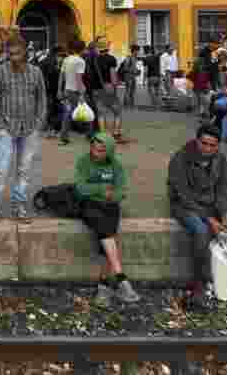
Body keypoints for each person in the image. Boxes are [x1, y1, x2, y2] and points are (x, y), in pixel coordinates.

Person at [168, 124, 227, 308]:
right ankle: (199, 285)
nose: (207, 148)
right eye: (204, 143)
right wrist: (210, 219)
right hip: (185, 206)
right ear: (197, 141)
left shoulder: (220, 159)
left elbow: (222, 190)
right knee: (201, 232)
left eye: (212, 145)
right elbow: (183, 196)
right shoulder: (180, 159)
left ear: (218, 146)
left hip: (212, 205)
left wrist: (225, 216)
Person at [0, 35, 47, 223]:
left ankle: (19, 205)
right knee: (2, 169)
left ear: (25, 53)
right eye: (10, 54)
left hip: (29, 128)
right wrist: (0, 124)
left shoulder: (36, 72)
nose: (14, 58)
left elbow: (42, 98)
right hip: (6, 127)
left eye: (17, 53)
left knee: (24, 170)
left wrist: (38, 123)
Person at [75, 132, 140, 304]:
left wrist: (110, 195)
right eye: (94, 149)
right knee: (107, 232)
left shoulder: (116, 166)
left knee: (106, 236)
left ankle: (103, 286)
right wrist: (103, 189)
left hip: (110, 206)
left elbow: (121, 191)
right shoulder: (83, 162)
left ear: (109, 151)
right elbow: (80, 188)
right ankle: (120, 277)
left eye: (101, 150)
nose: (96, 153)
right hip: (89, 205)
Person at [88, 38, 123, 141]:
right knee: (117, 112)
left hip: (96, 89)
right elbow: (113, 77)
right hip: (108, 88)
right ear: (108, 47)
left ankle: (103, 135)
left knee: (101, 113)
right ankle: (116, 133)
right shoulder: (111, 59)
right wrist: (115, 86)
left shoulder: (94, 60)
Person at [59, 39, 87, 145]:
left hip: (67, 90)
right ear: (82, 49)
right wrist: (82, 93)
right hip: (76, 91)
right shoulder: (81, 61)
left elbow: (61, 76)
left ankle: (64, 137)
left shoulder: (66, 60)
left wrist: (59, 90)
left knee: (67, 114)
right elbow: (79, 78)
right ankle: (89, 134)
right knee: (85, 112)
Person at [120, 44, 141, 110]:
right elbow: (125, 68)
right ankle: (126, 105)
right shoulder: (129, 58)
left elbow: (133, 67)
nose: (138, 52)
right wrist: (133, 71)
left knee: (132, 91)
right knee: (128, 91)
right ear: (134, 51)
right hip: (128, 77)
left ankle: (131, 105)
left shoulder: (134, 58)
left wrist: (137, 71)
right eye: (137, 51)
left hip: (132, 76)